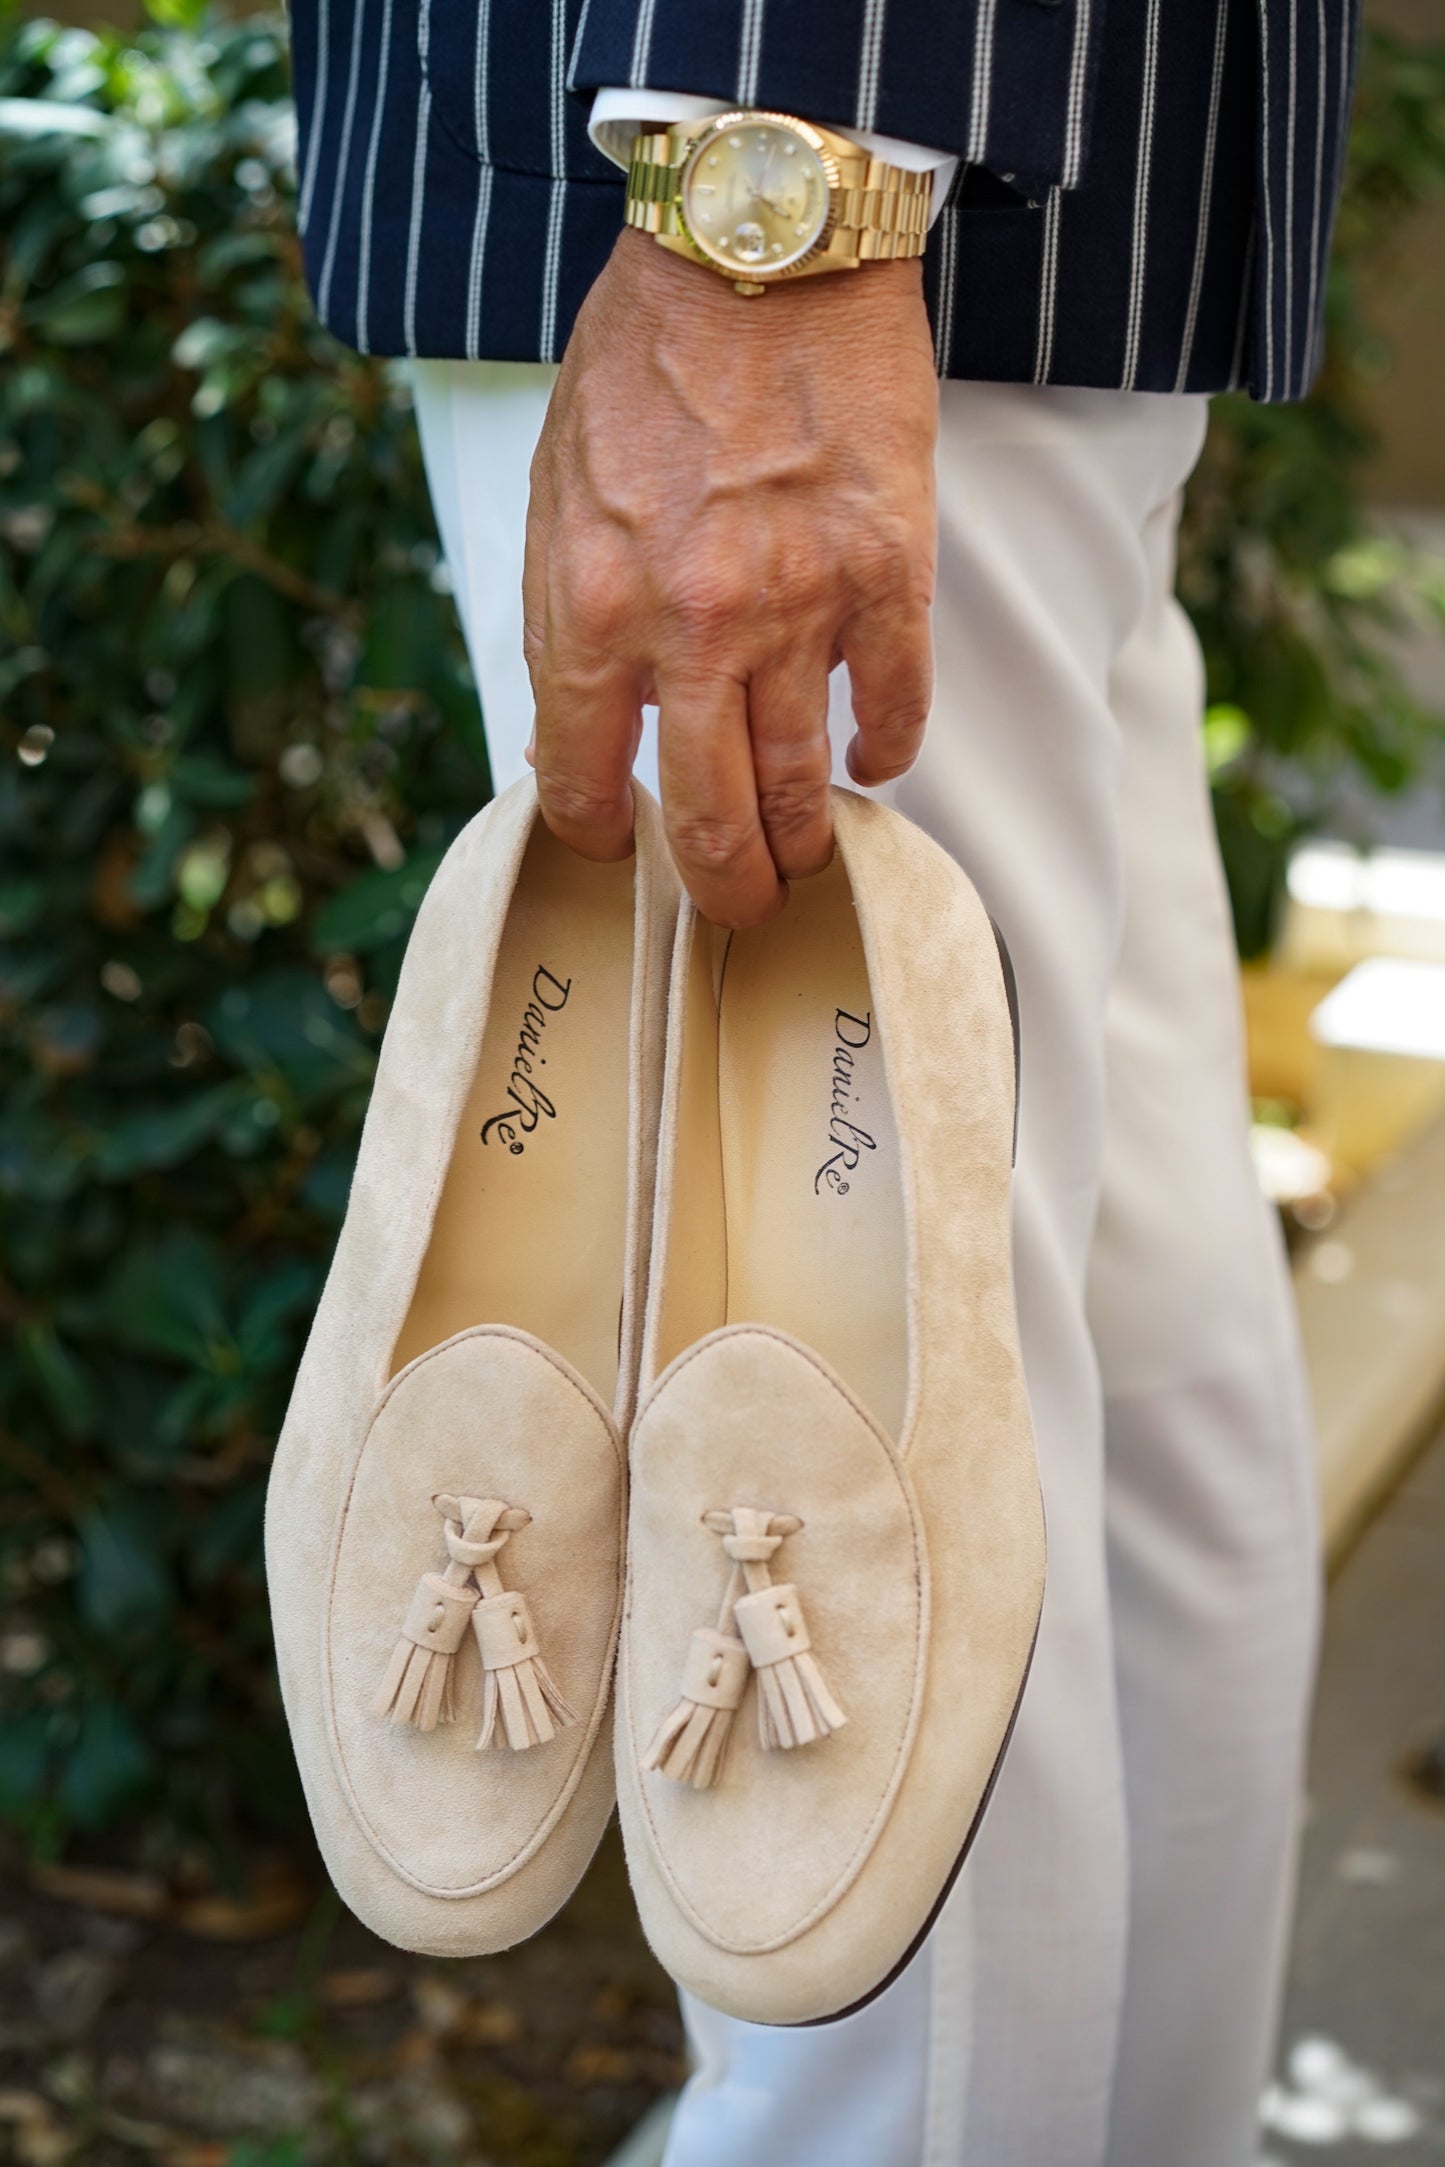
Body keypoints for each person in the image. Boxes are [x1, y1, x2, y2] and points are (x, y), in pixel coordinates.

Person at [286, 3, 1359, 2161]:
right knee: (1108, 1391)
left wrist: (766, 188)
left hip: (766, 162)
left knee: (880, 1477)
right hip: (1033, 180)